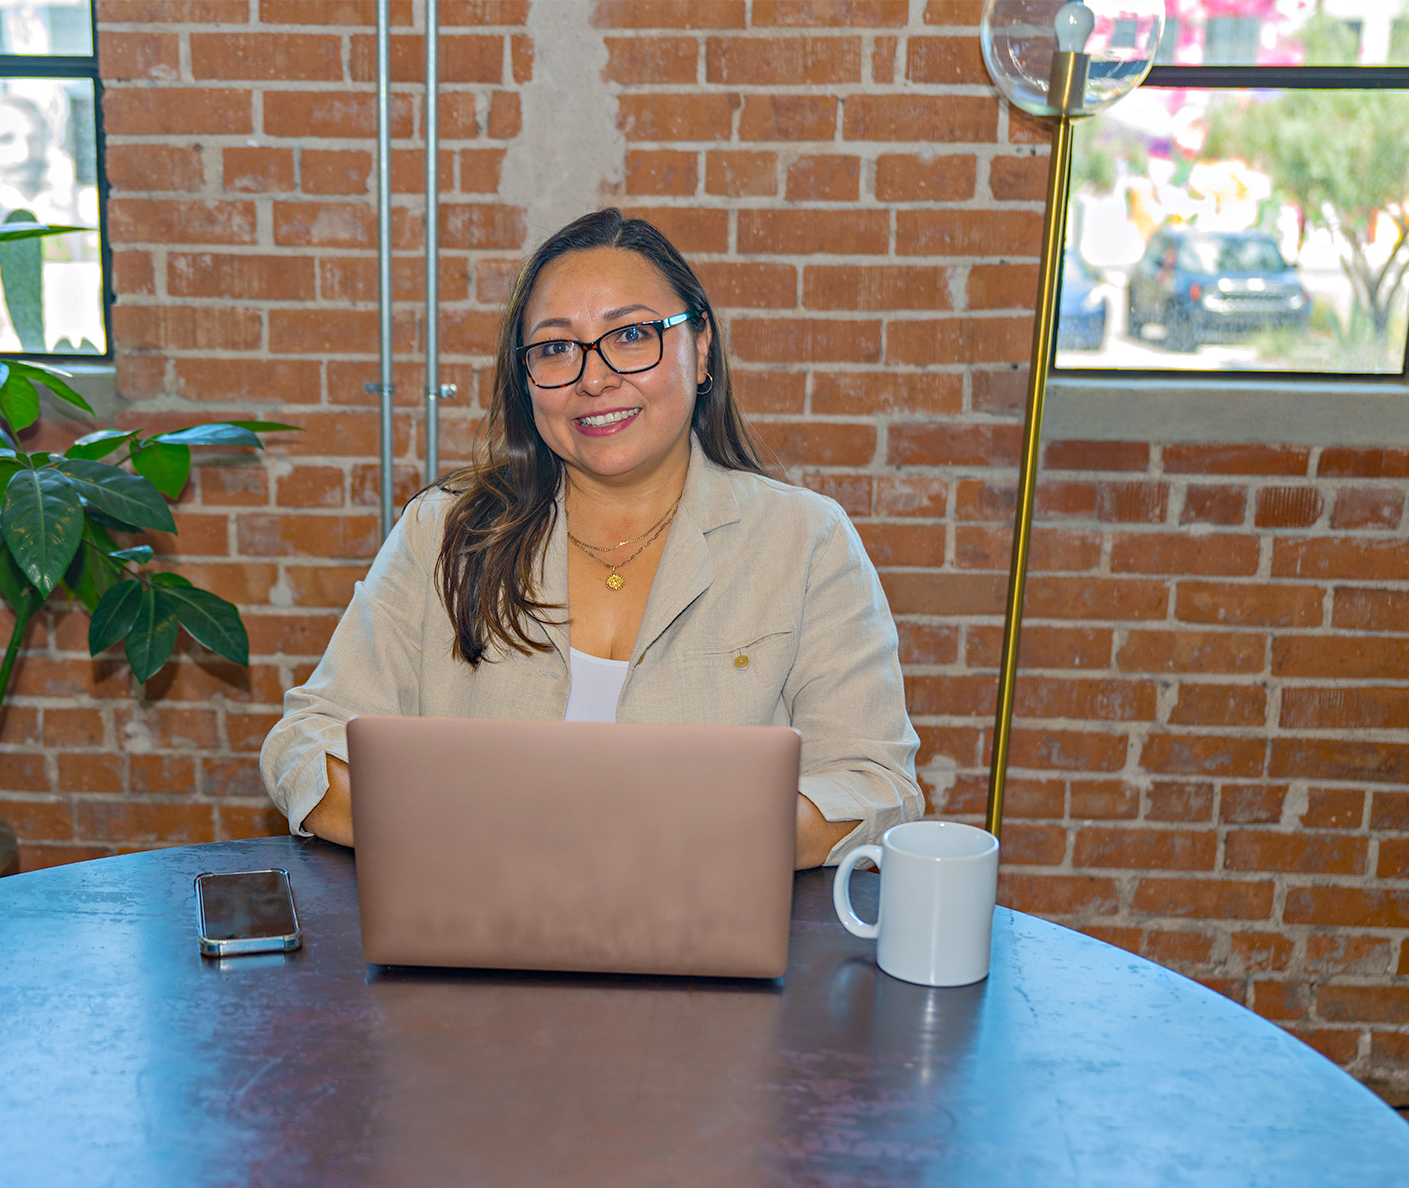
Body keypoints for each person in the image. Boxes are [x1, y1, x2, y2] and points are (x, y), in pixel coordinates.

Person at [259, 209, 923, 869]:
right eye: (555, 348)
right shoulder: (445, 533)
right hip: (477, 938)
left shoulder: (805, 541)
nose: (594, 378)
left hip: (705, 941)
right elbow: (304, 745)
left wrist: (699, 839)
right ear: (526, 380)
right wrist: (467, 833)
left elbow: (874, 783)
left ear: (701, 349)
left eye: (631, 334)